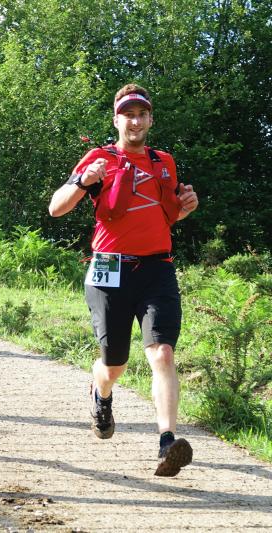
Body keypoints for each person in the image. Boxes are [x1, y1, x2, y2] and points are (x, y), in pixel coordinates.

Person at [48, 84, 199, 477]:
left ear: (150, 119)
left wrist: (186, 208)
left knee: (162, 354)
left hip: (157, 269)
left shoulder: (163, 161)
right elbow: (55, 208)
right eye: (128, 114)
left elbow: (164, 216)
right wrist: (84, 182)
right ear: (117, 120)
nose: (135, 121)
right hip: (109, 270)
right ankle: (101, 393)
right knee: (114, 364)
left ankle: (168, 441)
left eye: (142, 114)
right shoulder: (100, 158)